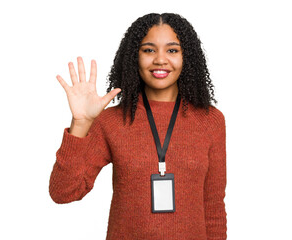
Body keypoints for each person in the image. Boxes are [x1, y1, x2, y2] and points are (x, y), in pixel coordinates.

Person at [49, 13, 227, 240]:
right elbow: (63, 192)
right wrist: (81, 124)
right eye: (149, 50)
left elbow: (213, 208)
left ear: (187, 57)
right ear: (135, 56)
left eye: (172, 50)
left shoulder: (210, 121)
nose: (160, 59)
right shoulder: (112, 121)